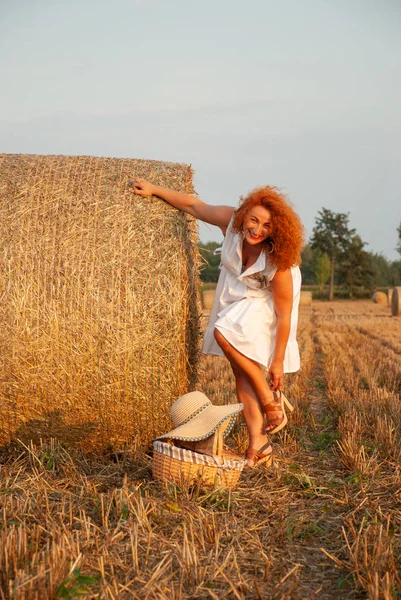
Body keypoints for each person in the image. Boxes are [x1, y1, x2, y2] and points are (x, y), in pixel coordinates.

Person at [132, 178, 304, 467]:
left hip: (264, 305)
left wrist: (276, 363)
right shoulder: (232, 222)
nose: (257, 230)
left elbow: (284, 315)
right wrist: (155, 190)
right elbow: (194, 205)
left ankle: (268, 397)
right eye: (254, 220)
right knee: (240, 374)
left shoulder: (280, 263)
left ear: (277, 231)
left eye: (266, 227)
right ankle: (259, 444)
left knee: (222, 332)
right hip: (235, 298)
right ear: (246, 212)